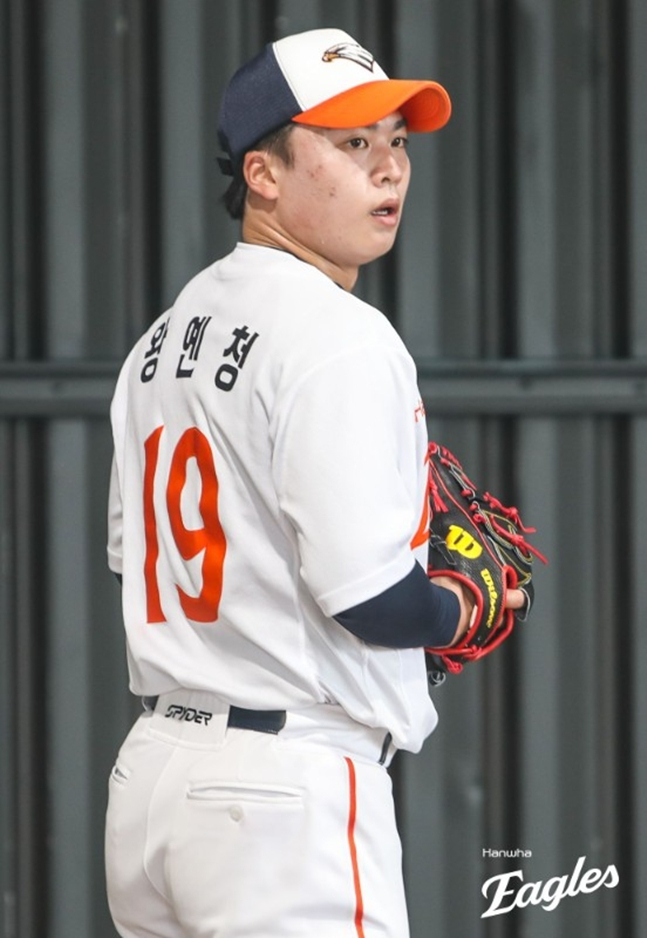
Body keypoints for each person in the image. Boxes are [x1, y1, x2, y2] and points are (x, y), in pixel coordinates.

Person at [105, 27, 524, 938]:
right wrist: (463, 603)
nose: (388, 171)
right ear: (262, 174)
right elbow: (368, 600)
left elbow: (131, 564)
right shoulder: (339, 336)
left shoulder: (159, 345)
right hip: (282, 796)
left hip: (154, 785)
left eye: (396, 142)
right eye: (350, 144)